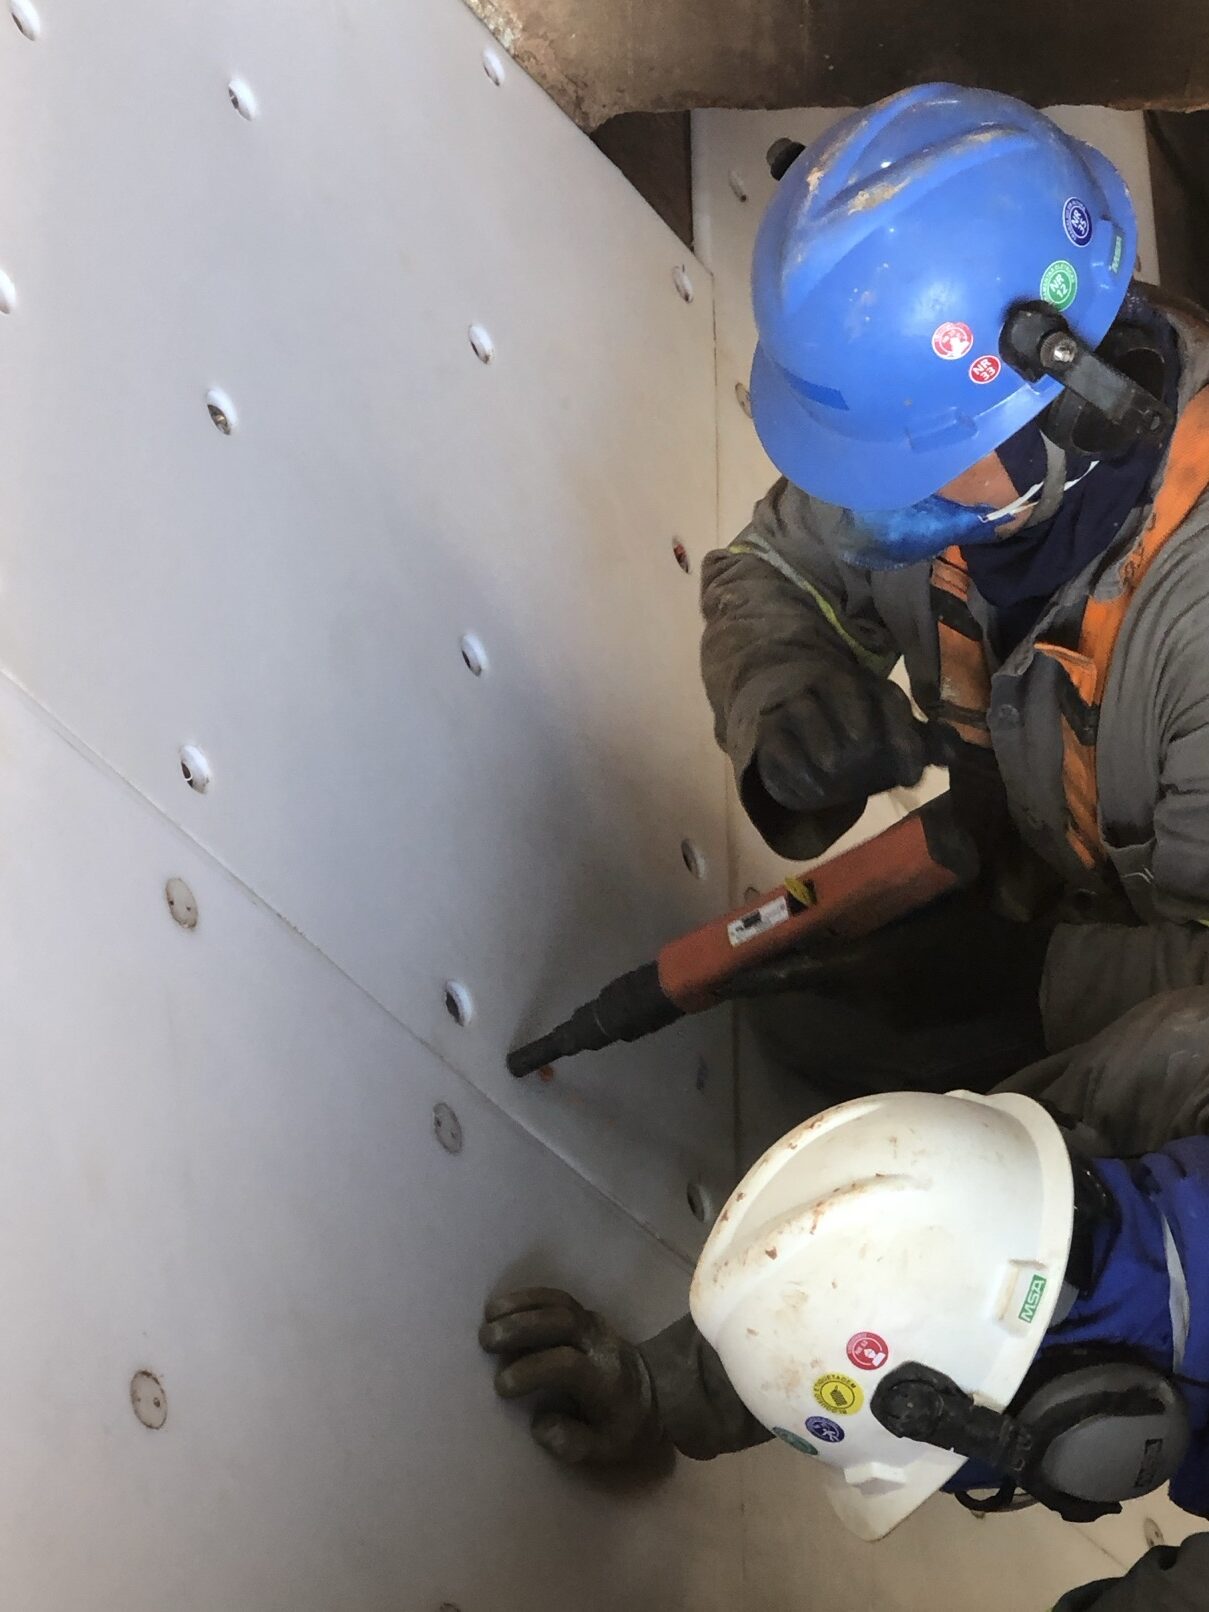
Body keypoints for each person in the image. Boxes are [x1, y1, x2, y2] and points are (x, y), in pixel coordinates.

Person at [696, 82, 1209, 1094]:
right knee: (798, 1026)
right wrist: (788, 692)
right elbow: (772, 567)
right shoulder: (936, 425)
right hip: (1034, 869)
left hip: (1162, 993)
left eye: (906, 464)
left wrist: (1023, 981)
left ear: (1078, 408)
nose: (866, 495)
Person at [481, 987, 1209, 1609]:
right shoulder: (1169, 1063)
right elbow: (962, 1199)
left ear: (1095, 1429)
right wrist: (694, 1383)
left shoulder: (1166, 1056)